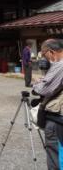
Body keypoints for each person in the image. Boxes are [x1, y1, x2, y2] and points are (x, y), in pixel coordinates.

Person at [32, 39, 63, 170]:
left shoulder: (59, 65)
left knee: (55, 155)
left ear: (51, 52)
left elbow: (44, 89)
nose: (44, 58)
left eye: (44, 54)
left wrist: (36, 83)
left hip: (57, 118)